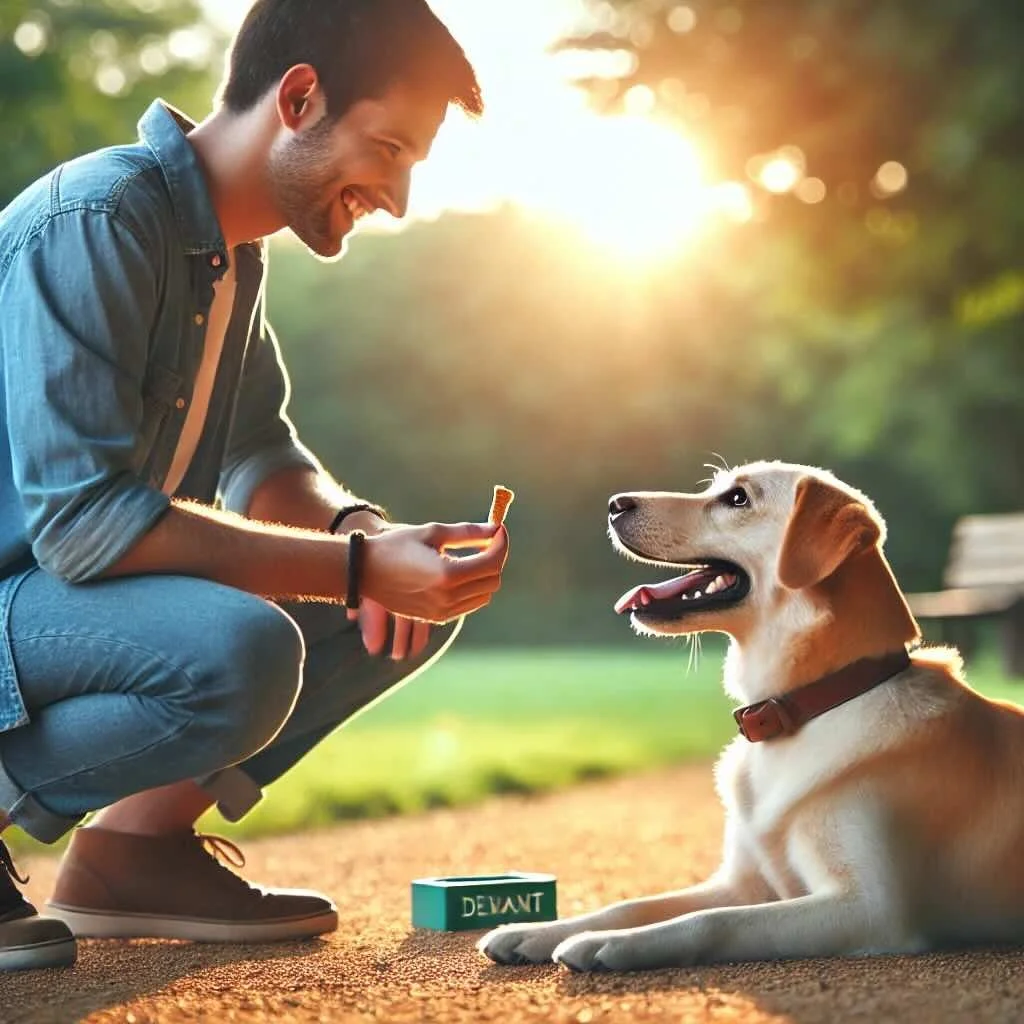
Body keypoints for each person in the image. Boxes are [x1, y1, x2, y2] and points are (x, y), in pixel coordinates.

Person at [0, 0, 509, 972]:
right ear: (301, 97)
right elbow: (84, 528)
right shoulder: (103, 219)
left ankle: (133, 853)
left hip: (56, 610)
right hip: (15, 602)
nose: (397, 197)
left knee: (406, 601)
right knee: (245, 645)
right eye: (388, 148)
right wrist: (356, 566)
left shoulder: (228, 254)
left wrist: (363, 532)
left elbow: (258, 453)